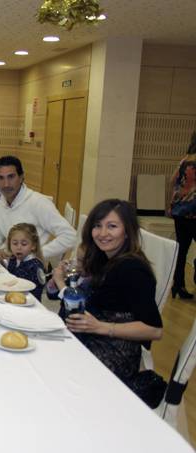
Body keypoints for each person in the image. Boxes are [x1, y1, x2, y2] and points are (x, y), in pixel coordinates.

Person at [65, 199, 163, 405]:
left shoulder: (132, 269)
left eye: (112, 226)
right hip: (93, 342)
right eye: (97, 225)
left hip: (114, 355)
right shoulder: (105, 259)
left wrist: (101, 327)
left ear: (127, 231)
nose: (103, 233)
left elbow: (155, 330)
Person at [0, 155, 76, 261]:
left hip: (31, 267)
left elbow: (70, 236)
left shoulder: (38, 203)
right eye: (1, 178)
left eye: (11, 177)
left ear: (21, 177)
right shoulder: (0, 205)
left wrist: (35, 255)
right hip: (9, 264)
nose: (6, 184)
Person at [169, 131, 196, 299]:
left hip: (180, 211)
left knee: (182, 250)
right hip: (193, 213)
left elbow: (172, 181)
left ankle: (178, 285)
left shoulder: (185, 159)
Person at [4, 223, 46, 300]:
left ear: (33, 246)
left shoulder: (35, 266)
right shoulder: (13, 259)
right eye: (15, 243)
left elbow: (32, 290)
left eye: (24, 244)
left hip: (29, 301)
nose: (19, 247)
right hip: (13, 296)